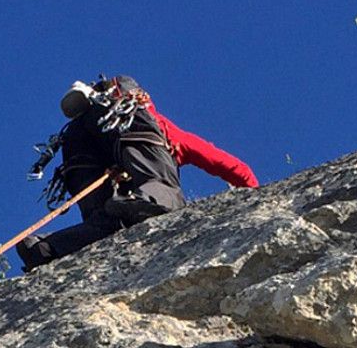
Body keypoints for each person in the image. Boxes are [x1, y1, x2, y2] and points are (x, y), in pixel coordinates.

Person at [17, 75, 257, 271]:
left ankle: (46, 247)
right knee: (161, 185)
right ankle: (143, 199)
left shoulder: (88, 128)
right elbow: (229, 165)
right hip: (131, 130)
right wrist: (255, 193)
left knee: (102, 223)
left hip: (79, 149)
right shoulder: (162, 127)